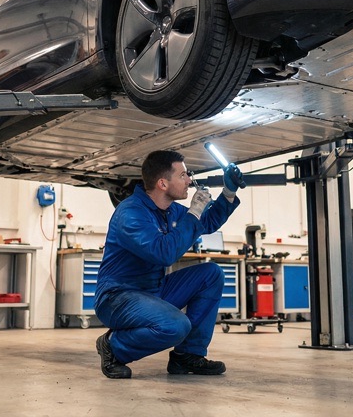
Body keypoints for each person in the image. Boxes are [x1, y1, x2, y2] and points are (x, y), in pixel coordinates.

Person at [93, 150, 244, 379]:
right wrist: (193, 212)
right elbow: (163, 253)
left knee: (211, 274)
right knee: (176, 326)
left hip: (154, 291)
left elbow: (208, 222)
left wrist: (229, 192)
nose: (190, 180)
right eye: (183, 175)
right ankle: (113, 346)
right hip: (118, 296)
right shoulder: (131, 213)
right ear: (163, 183)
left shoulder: (170, 210)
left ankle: (187, 355)